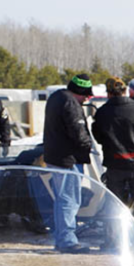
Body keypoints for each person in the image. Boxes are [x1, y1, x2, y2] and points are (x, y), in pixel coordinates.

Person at [92, 77, 134, 244]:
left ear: (109, 94)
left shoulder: (102, 113)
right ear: (126, 91)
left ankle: (114, 240)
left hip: (114, 165)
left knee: (115, 203)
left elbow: (98, 137)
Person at [43, 74, 94, 254]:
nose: (87, 99)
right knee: (69, 199)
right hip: (67, 159)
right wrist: (88, 145)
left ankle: (62, 237)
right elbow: (78, 132)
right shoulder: (70, 103)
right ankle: (67, 240)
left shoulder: (56, 97)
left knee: (62, 198)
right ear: (78, 92)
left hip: (55, 157)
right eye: (85, 95)